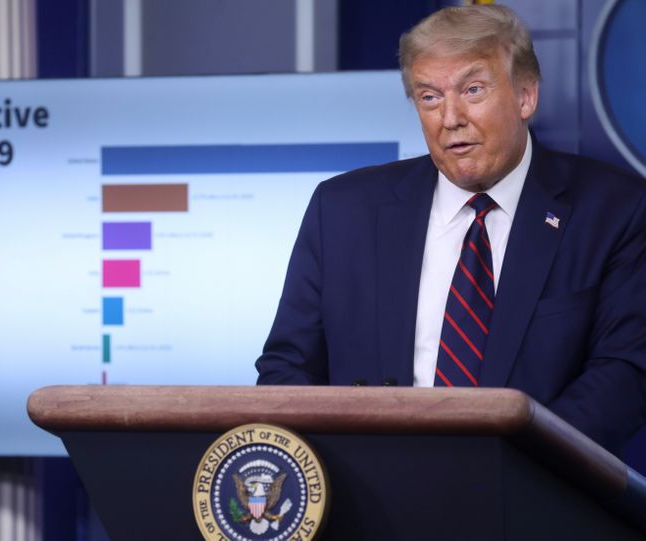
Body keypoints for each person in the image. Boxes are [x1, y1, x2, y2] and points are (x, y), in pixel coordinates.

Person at [255, 4, 646, 455]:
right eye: (429, 97)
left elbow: (624, 374)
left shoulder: (614, 210)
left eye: (473, 90)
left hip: (528, 493)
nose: (450, 118)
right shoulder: (343, 209)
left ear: (525, 96)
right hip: (368, 494)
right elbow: (287, 367)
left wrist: (512, 464)